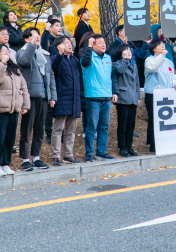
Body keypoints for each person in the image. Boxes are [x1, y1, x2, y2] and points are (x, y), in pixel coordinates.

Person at [0, 44, 29, 176]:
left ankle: (6, 163)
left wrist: (25, 105)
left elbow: (24, 87)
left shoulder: (14, 69)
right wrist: (2, 63)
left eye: (7, 51)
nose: (6, 53)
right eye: (3, 51)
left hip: (13, 109)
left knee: (10, 139)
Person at [17, 27, 56, 171]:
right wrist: (32, 46)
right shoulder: (22, 52)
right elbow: (25, 62)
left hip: (44, 97)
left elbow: (50, 77)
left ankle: (36, 158)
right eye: (33, 36)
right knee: (26, 130)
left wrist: (52, 96)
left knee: (40, 130)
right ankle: (25, 159)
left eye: (38, 35)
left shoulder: (45, 55)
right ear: (27, 39)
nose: (38, 37)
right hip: (29, 97)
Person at [80, 34, 114, 162]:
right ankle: (89, 153)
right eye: (99, 42)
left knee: (104, 127)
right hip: (93, 97)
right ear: (92, 45)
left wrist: (113, 92)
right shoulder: (87, 57)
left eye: (104, 42)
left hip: (107, 97)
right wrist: (88, 46)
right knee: (91, 127)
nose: (103, 44)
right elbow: (85, 62)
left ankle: (101, 152)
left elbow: (112, 77)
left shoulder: (108, 58)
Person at [144, 39, 176, 153]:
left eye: (163, 44)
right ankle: (153, 143)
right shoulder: (149, 59)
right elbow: (153, 68)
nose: (163, 46)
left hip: (167, 94)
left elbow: (172, 75)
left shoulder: (168, 61)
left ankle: (165, 141)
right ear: (154, 48)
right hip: (153, 94)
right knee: (154, 119)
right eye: (160, 45)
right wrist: (162, 56)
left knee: (166, 119)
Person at [50, 36, 82, 165]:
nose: (70, 45)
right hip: (62, 99)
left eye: (70, 43)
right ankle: (56, 156)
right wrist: (60, 55)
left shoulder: (74, 60)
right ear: (59, 46)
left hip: (74, 99)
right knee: (58, 130)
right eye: (66, 43)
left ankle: (68, 155)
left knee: (71, 130)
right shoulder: (55, 58)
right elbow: (55, 68)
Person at [112, 44, 141, 158]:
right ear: (120, 52)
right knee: (122, 124)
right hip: (123, 98)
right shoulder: (116, 64)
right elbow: (121, 71)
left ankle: (129, 146)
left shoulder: (134, 65)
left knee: (131, 125)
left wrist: (138, 96)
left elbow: (137, 83)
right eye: (125, 50)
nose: (129, 52)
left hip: (133, 98)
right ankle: (122, 147)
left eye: (129, 50)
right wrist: (124, 59)